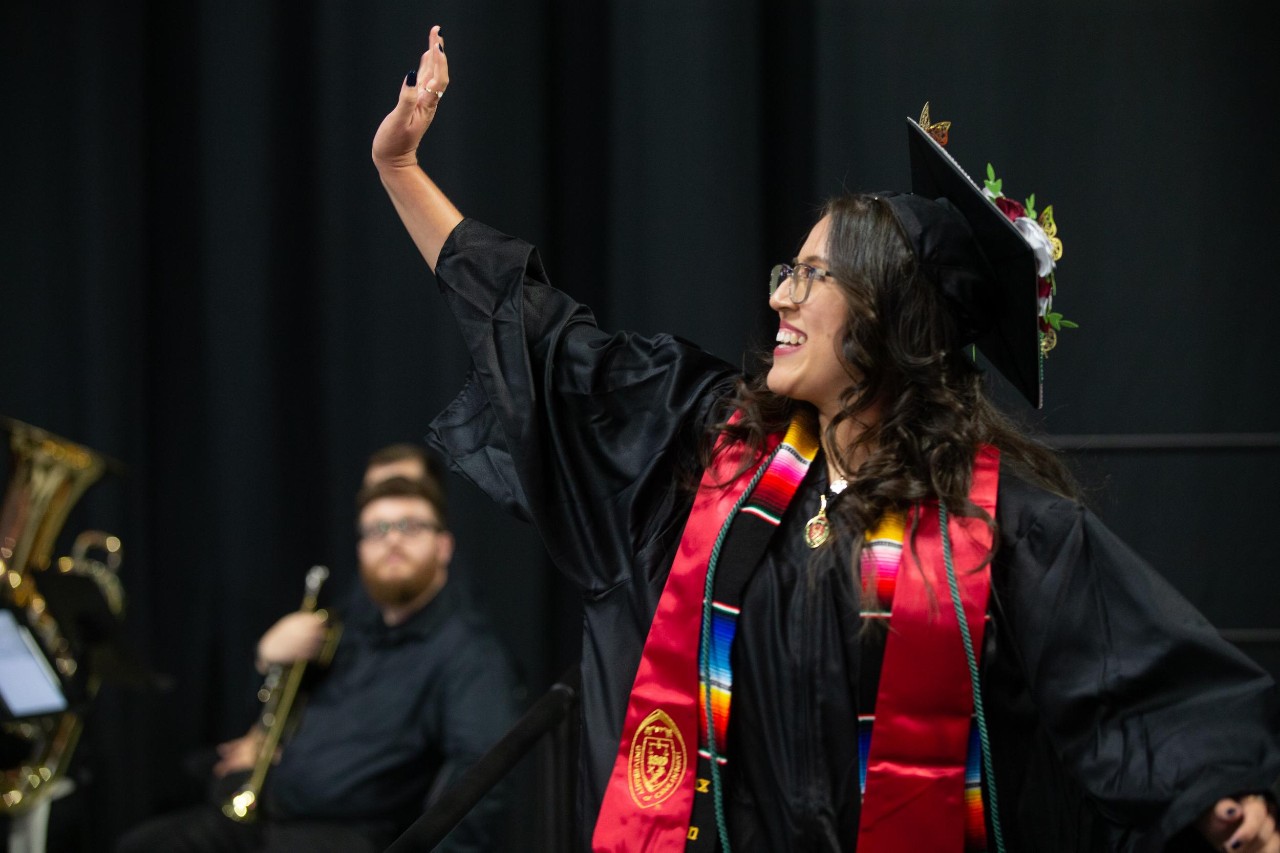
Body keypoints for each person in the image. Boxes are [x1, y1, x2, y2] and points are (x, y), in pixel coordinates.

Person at [371, 25, 1280, 853]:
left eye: (812, 275)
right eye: (787, 270)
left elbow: (1137, 679)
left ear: (889, 319)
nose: (780, 296)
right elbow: (545, 337)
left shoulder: (997, 530)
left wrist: (1222, 788)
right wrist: (402, 170)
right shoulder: (696, 457)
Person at [115, 472, 522, 853]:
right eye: (377, 530)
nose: (392, 541)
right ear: (361, 550)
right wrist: (267, 658)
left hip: (352, 837)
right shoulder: (345, 630)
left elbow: (481, 779)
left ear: (443, 546)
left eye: (410, 527)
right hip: (268, 815)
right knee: (143, 844)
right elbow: (274, 713)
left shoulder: (469, 652)